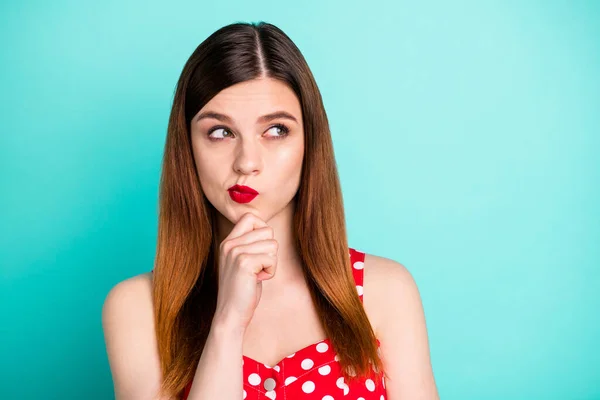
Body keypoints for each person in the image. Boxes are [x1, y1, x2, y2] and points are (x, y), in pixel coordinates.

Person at [102, 21, 439, 400]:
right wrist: (228, 322)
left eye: (276, 130)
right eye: (220, 132)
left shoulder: (385, 291)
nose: (247, 162)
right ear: (188, 148)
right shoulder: (137, 308)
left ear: (309, 142)